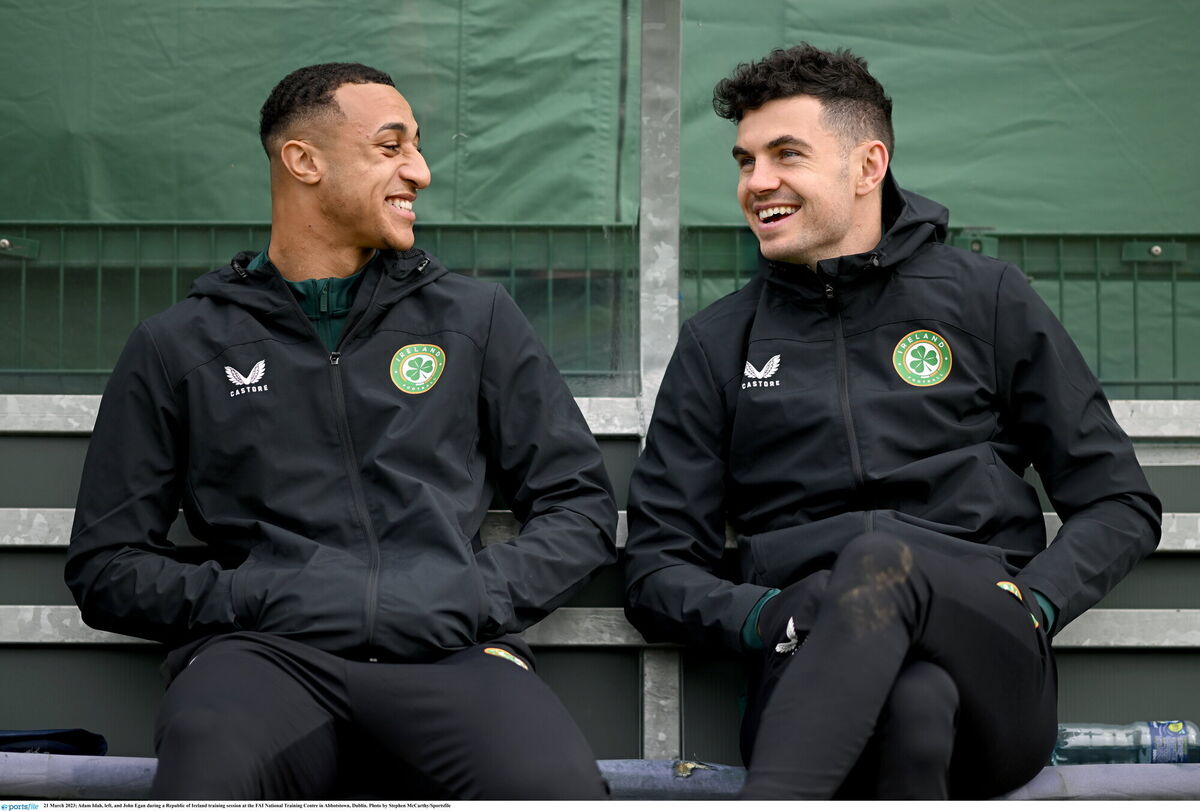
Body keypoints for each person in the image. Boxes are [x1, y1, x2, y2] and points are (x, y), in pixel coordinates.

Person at [623, 43, 1161, 800]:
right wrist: (767, 611)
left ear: (867, 165)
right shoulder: (721, 344)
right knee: (913, 706)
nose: (757, 182)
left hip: (991, 657)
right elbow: (654, 567)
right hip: (809, 667)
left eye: (786, 154)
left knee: (881, 560)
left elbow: (1119, 501)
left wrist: (1033, 601)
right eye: (745, 161)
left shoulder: (985, 300)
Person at [65, 62, 616, 801]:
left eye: (416, 147)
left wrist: (466, 596)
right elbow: (106, 566)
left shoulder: (474, 318)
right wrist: (260, 596)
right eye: (392, 147)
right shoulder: (181, 344)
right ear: (304, 161)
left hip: (451, 652)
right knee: (211, 763)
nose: (419, 170)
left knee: (553, 785)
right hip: (263, 661)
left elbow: (579, 507)